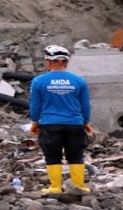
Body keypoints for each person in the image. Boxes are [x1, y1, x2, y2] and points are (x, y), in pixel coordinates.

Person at [29, 45, 92, 194]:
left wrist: (35, 122)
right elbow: (85, 105)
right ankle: (79, 186)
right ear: (65, 62)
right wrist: (86, 122)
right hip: (75, 125)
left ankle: (55, 187)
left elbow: (35, 106)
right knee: (76, 155)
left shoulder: (39, 81)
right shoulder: (78, 81)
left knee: (52, 155)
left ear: (49, 62)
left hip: (49, 125)